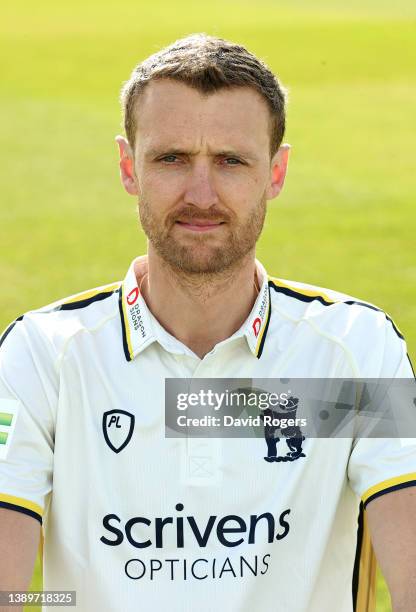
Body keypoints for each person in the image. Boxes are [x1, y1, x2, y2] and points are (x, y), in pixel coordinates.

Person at [0, 33, 415, 612]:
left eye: (230, 161)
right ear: (128, 167)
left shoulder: (356, 350)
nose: (201, 194)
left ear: (275, 172)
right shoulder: (40, 356)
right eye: (171, 158)